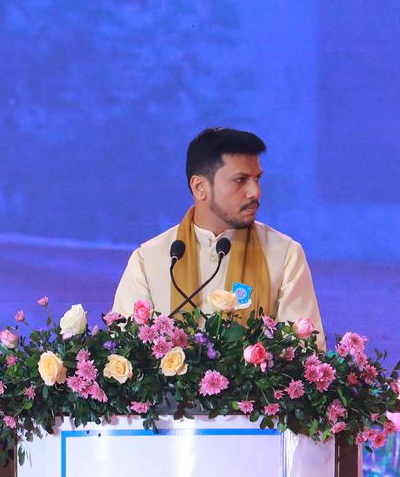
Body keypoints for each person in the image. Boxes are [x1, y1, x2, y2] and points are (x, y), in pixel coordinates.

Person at [112, 127, 322, 336]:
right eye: (240, 180)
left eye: (257, 179)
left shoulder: (284, 255)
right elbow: (124, 346)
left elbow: (304, 348)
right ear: (199, 187)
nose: (255, 192)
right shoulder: (149, 259)